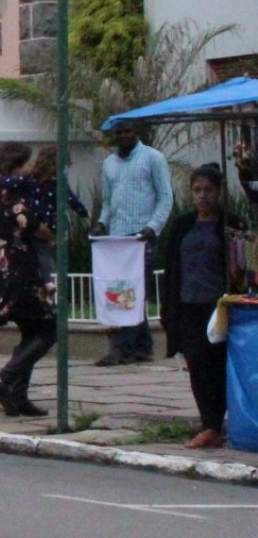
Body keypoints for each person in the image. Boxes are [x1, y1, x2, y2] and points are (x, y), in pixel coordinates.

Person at [160, 164, 242, 450]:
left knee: (220, 365)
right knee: (197, 365)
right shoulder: (183, 225)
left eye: (209, 190)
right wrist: (168, 309)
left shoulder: (230, 224)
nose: (203, 196)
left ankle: (225, 422)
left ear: (218, 192)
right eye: (197, 190)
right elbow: (171, 268)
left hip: (218, 307)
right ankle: (209, 424)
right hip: (187, 305)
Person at [0, 144, 58, 417]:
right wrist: (46, 231)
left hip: (3, 267)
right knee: (49, 327)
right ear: (17, 165)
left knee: (30, 330)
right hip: (22, 267)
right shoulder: (13, 187)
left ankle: (16, 395)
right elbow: (25, 221)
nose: (31, 169)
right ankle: (6, 377)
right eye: (27, 164)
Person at [92, 124, 173, 364]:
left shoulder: (153, 158)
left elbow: (165, 197)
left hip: (142, 237)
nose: (122, 136)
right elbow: (107, 202)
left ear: (136, 133)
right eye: (118, 132)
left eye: (127, 131)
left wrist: (154, 225)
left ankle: (121, 347)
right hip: (117, 239)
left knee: (133, 291)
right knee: (121, 289)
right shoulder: (109, 164)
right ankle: (143, 347)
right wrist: (101, 223)